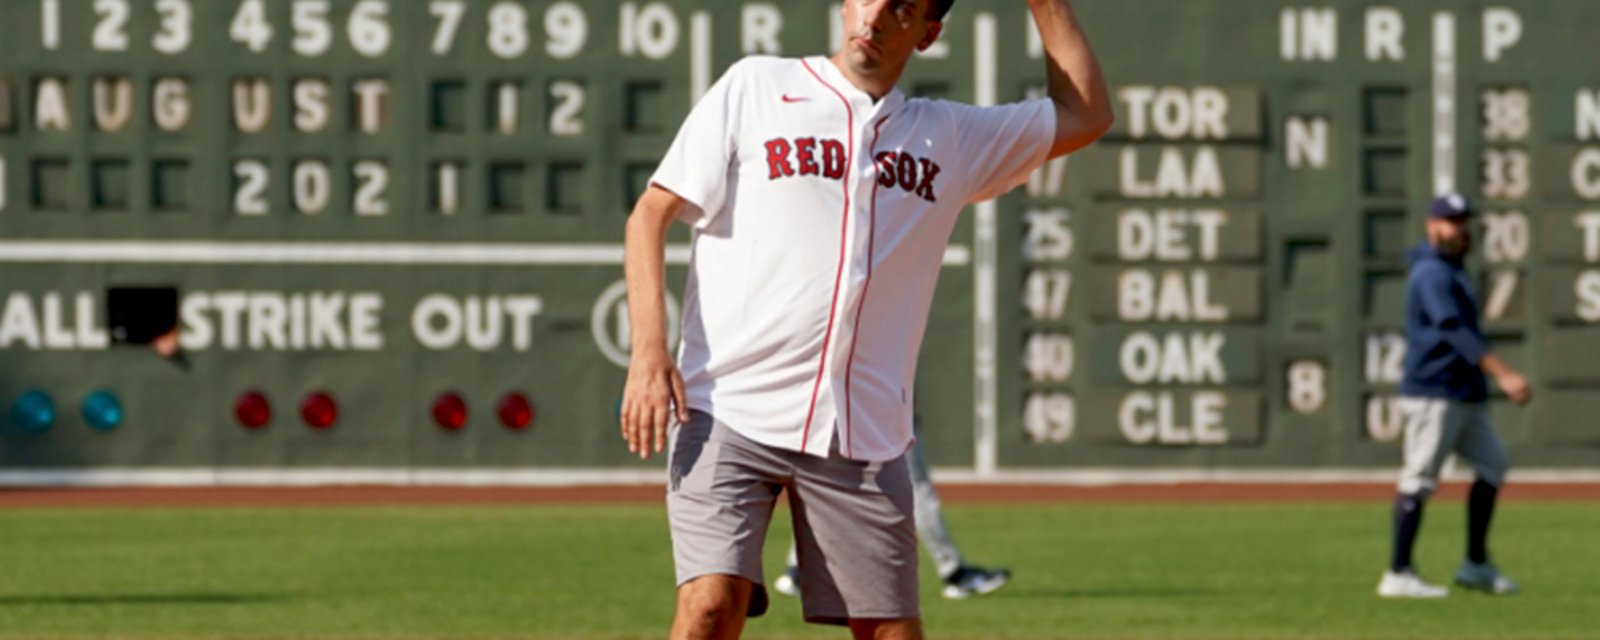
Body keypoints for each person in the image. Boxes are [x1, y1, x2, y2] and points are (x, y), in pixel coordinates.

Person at [620, 0, 1111, 636]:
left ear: (928, 34)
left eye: (901, 8)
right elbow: (649, 216)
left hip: (860, 433)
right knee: (711, 606)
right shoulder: (756, 86)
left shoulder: (950, 137)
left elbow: (1087, 113)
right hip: (728, 407)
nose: (873, 17)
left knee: (890, 634)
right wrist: (649, 351)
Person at [1377, 194, 1532, 599]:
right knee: (1420, 477)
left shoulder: (1452, 270)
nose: (1458, 229)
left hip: (1462, 394)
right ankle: (1398, 572)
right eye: (1449, 221)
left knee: (1492, 465)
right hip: (1434, 391)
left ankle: (1476, 565)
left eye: (1462, 221)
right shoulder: (1432, 273)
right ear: (1431, 225)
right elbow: (1454, 331)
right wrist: (1505, 374)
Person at [771, 436, 1012, 600]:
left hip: (846, 414)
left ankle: (798, 570)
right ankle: (955, 573)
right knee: (916, 489)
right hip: (883, 414)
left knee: (827, 489)